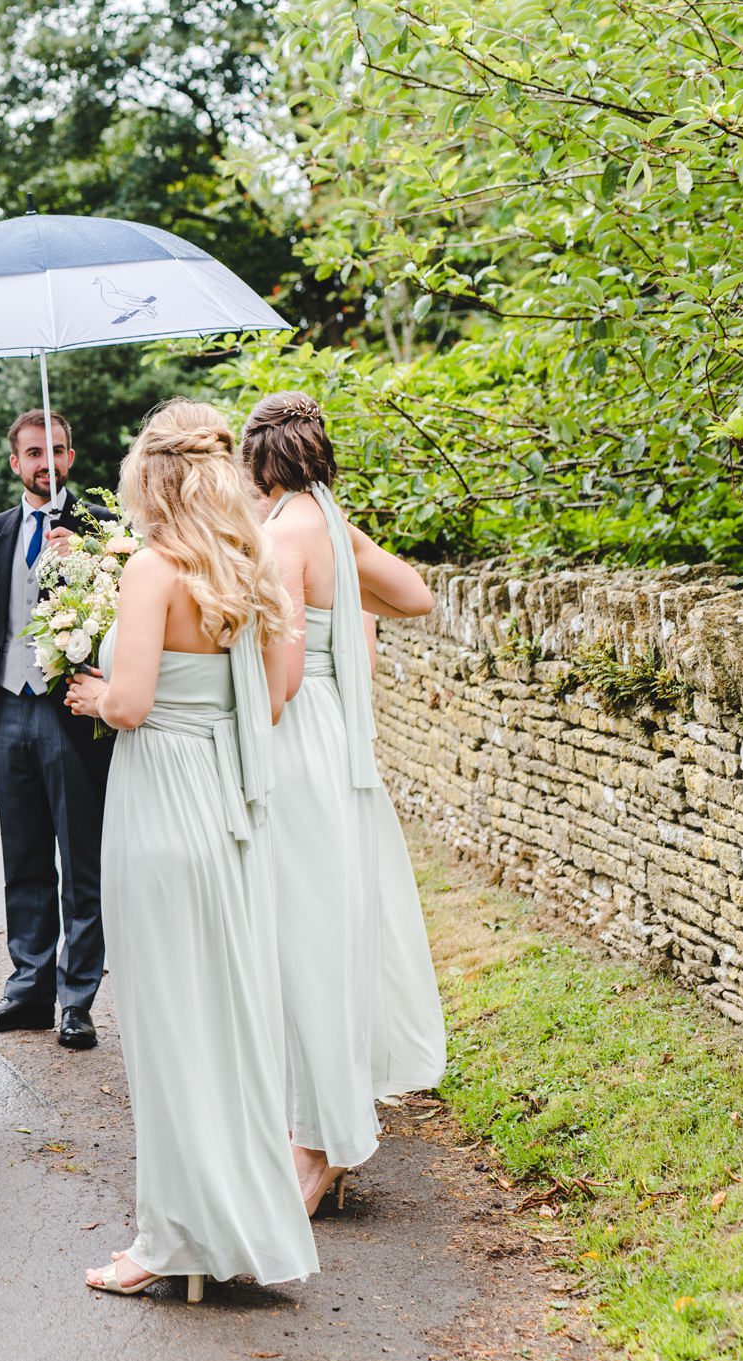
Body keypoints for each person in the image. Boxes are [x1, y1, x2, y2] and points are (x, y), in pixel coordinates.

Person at [64, 400, 319, 1299]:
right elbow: (279, 694)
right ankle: (235, 1226)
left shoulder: (152, 568)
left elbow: (131, 702)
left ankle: (168, 1237)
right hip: (229, 804)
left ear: (153, 479)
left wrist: (90, 692)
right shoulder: (251, 569)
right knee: (230, 1019)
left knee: (172, 1024)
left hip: (161, 799)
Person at [244, 392, 445, 1213]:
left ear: (261, 462)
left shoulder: (282, 533)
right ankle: (314, 1127)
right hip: (341, 746)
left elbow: (280, 685)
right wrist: (350, 605)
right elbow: (419, 597)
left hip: (296, 745)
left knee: (300, 938)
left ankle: (314, 1143)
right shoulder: (335, 526)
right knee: (329, 923)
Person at [0, 410, 117, 1049]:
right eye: (32, 452)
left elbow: (122, 614)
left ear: (71, 457)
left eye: (55, 450)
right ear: (14, 463)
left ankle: (77, 998)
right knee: (22, 854)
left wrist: (85, 558)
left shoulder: (103, 529)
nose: (44, 462)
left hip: (68, 711)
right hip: (7, 711)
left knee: (81, 858)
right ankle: (29, 986)